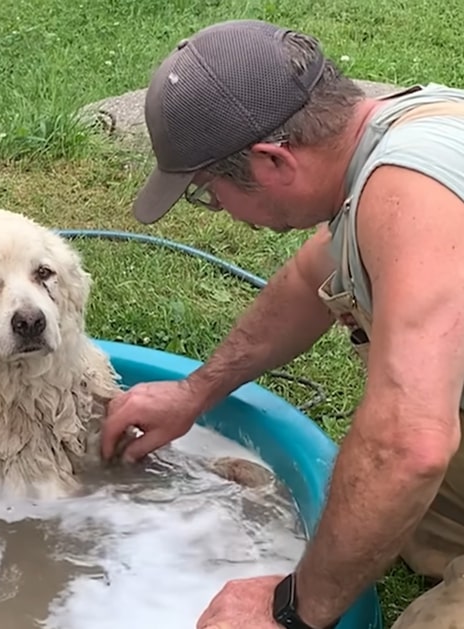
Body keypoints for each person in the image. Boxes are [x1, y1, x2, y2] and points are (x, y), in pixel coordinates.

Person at [99, 18, 464, 629]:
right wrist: (195, 392)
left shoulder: (408, 199)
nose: (218, 212)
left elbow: (409, 443)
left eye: (207, 193)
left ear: (271, 160)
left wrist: (292, 609)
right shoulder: (404, 131)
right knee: (387, 521)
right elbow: (305, 283)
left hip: (420, 439)